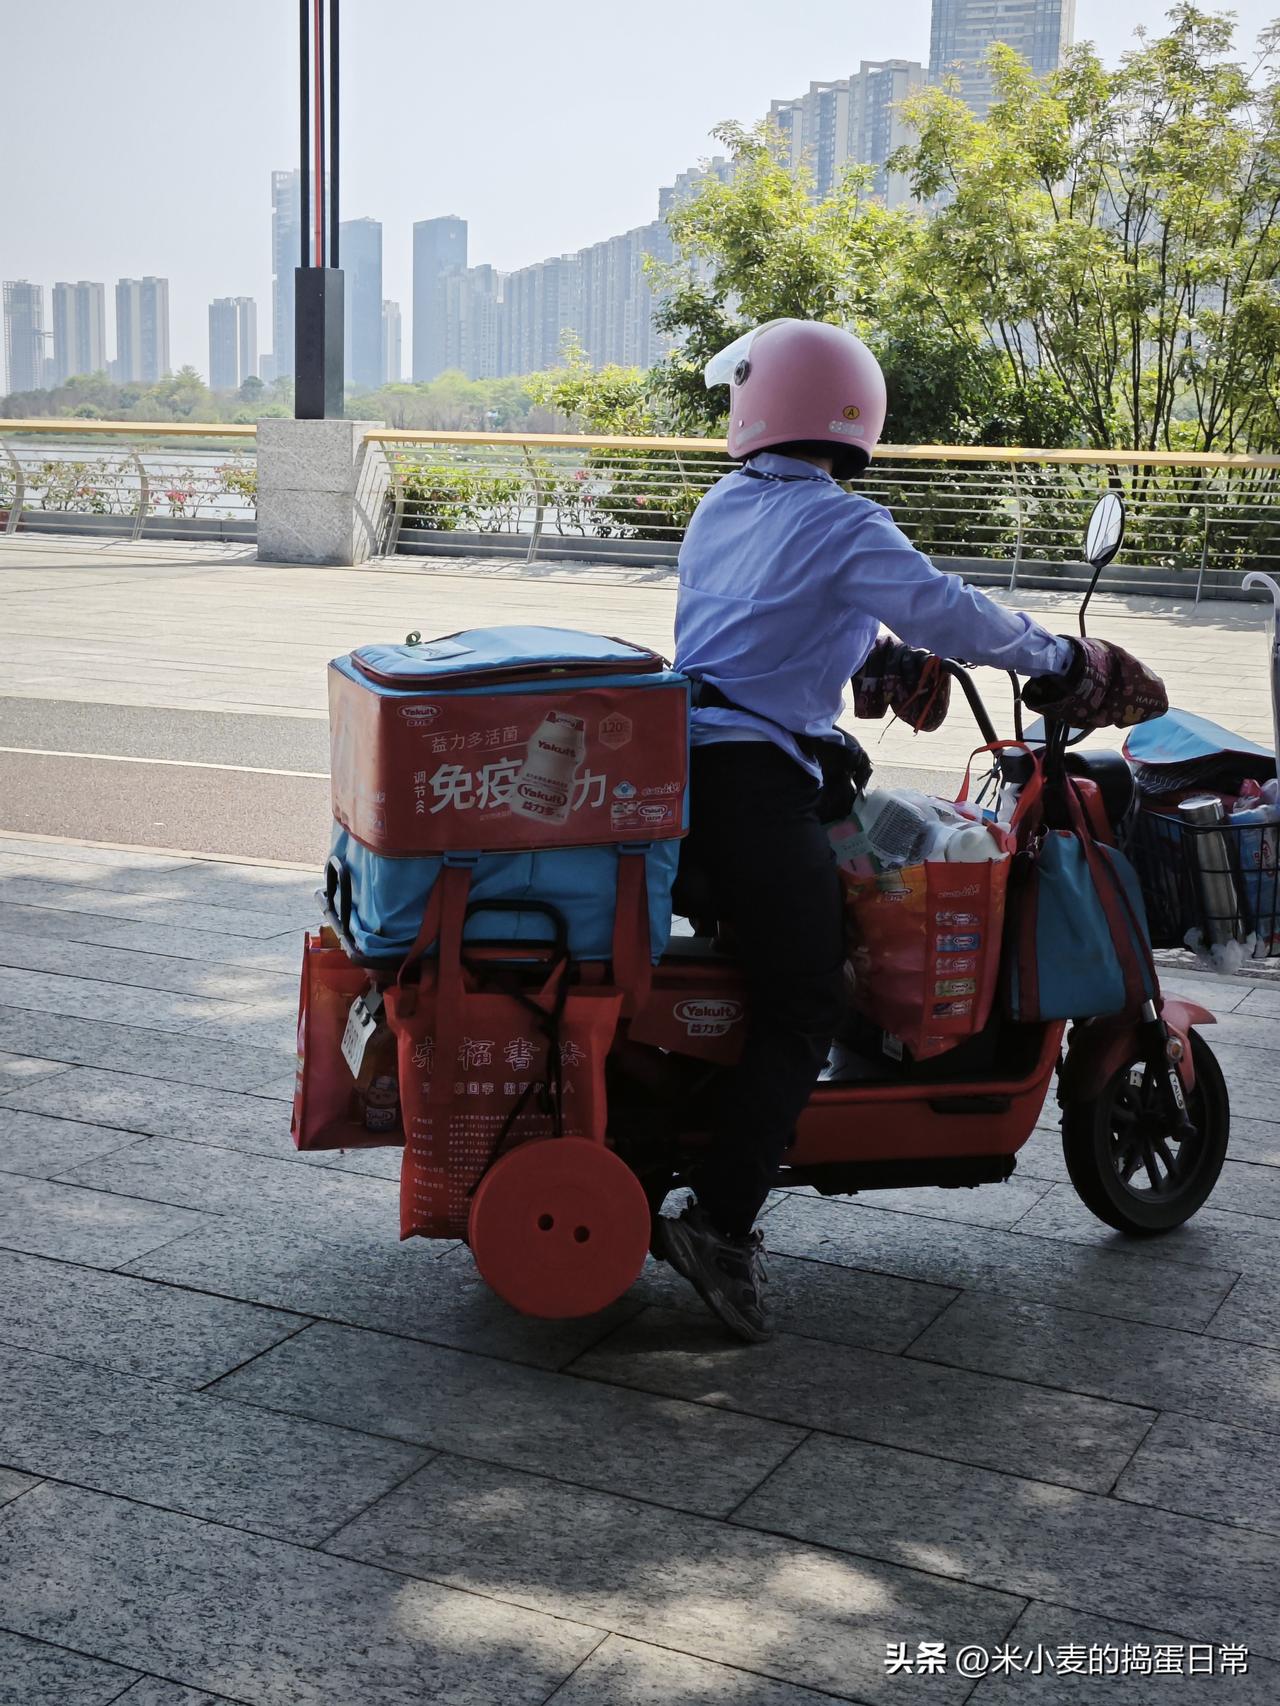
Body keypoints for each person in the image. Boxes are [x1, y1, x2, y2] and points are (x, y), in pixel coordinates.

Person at [652, 317, 1166, 1343]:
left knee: (829, 916)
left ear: (762, 407)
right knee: (807, 992)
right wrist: (1059, 660)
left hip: (698, 766)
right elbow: (948, 609)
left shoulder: (724, 503)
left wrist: (864, 663)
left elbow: (756, 624)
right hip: (754, 783)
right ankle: (717, 1220)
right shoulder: (842, 523)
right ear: (850, 416)